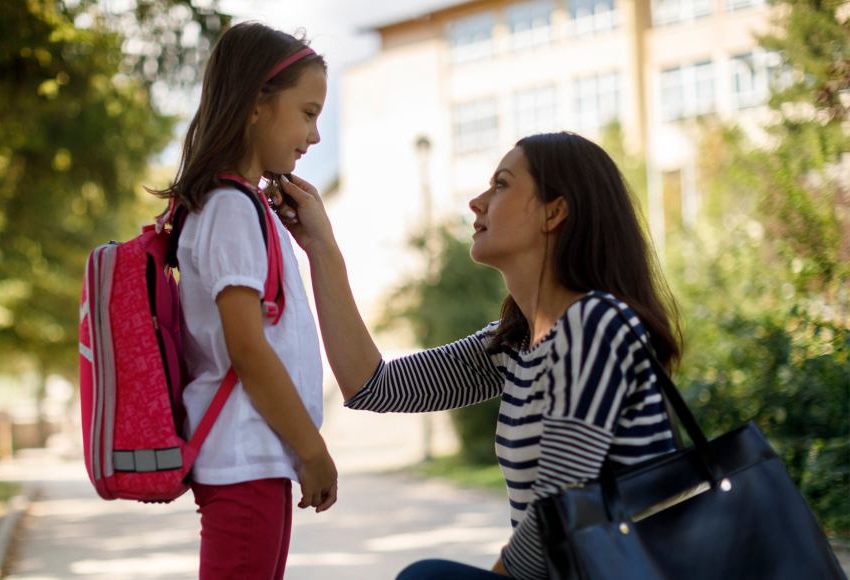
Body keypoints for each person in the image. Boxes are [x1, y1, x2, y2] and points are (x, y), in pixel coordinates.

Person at [275, 131, 682, 579]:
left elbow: (562, 506)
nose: (477, 202)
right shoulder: (515, 346)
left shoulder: (595, 325)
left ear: (555, 211)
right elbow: (373, 384)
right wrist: (320, 247)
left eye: (502, 185)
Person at [149, 22, 336, 580]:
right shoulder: (230, 209)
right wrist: (313, 451)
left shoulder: (241, 205)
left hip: (254, 457)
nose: (317, 135)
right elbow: (248, 349)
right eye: (307, 113)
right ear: (257, 103)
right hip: (244, 455)